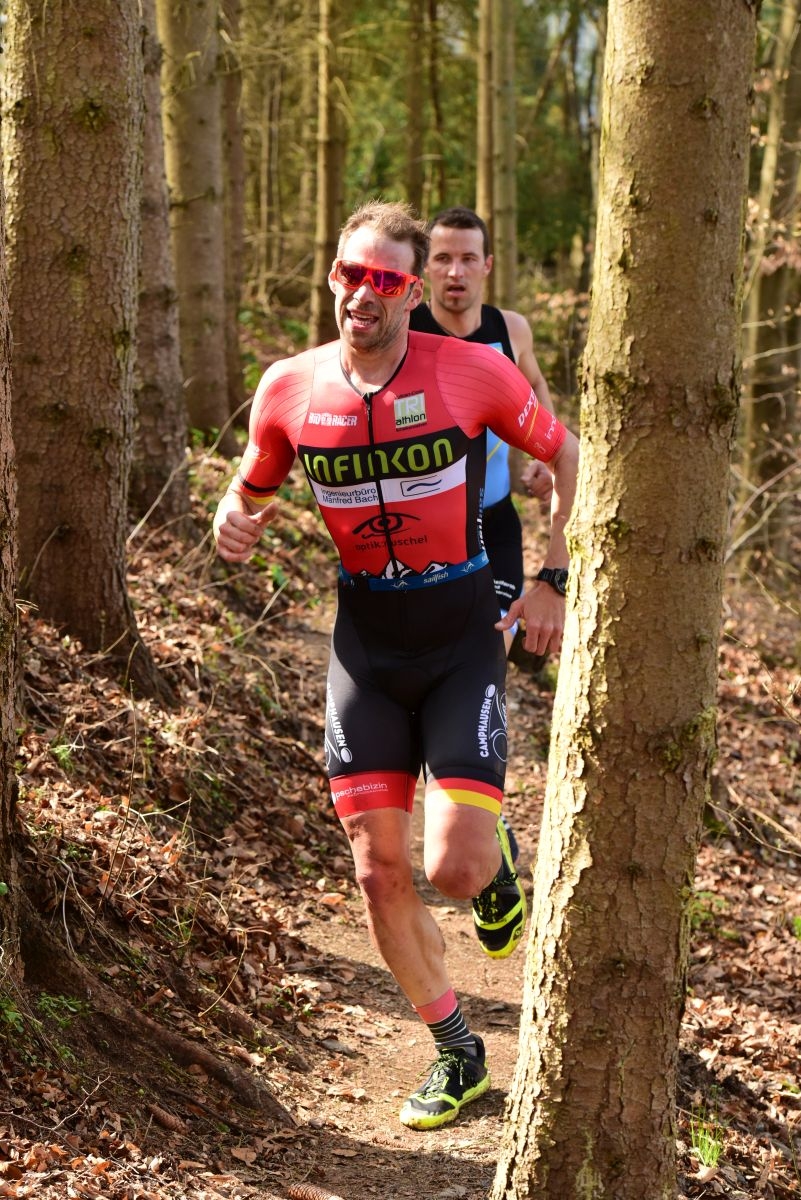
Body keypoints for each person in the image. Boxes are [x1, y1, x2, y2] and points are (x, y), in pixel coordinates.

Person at [213, 200, 579, 1131]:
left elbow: (567, 453)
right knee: (377, 870)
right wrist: (233, 518)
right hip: (365, 649)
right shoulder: (288, 387)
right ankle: (457, 1050)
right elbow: (252, 486)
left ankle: (492, 861)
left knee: (452, 870)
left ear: (412, 293)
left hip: (459, 639)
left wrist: (552, 577)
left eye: (384, 279)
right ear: (332, 277)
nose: (362, 293)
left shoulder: (471, 370)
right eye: (350, 273)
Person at [410, 206, 554, 658]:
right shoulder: (404, 332)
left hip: (496, 521)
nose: (456, 272)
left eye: (468, 258)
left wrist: (545, 457)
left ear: (487, 265)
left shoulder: (510, 330)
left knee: (493, 647)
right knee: (429, 653)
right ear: (425, 267)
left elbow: (535, 384)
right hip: (425, 530)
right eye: (442, 258)